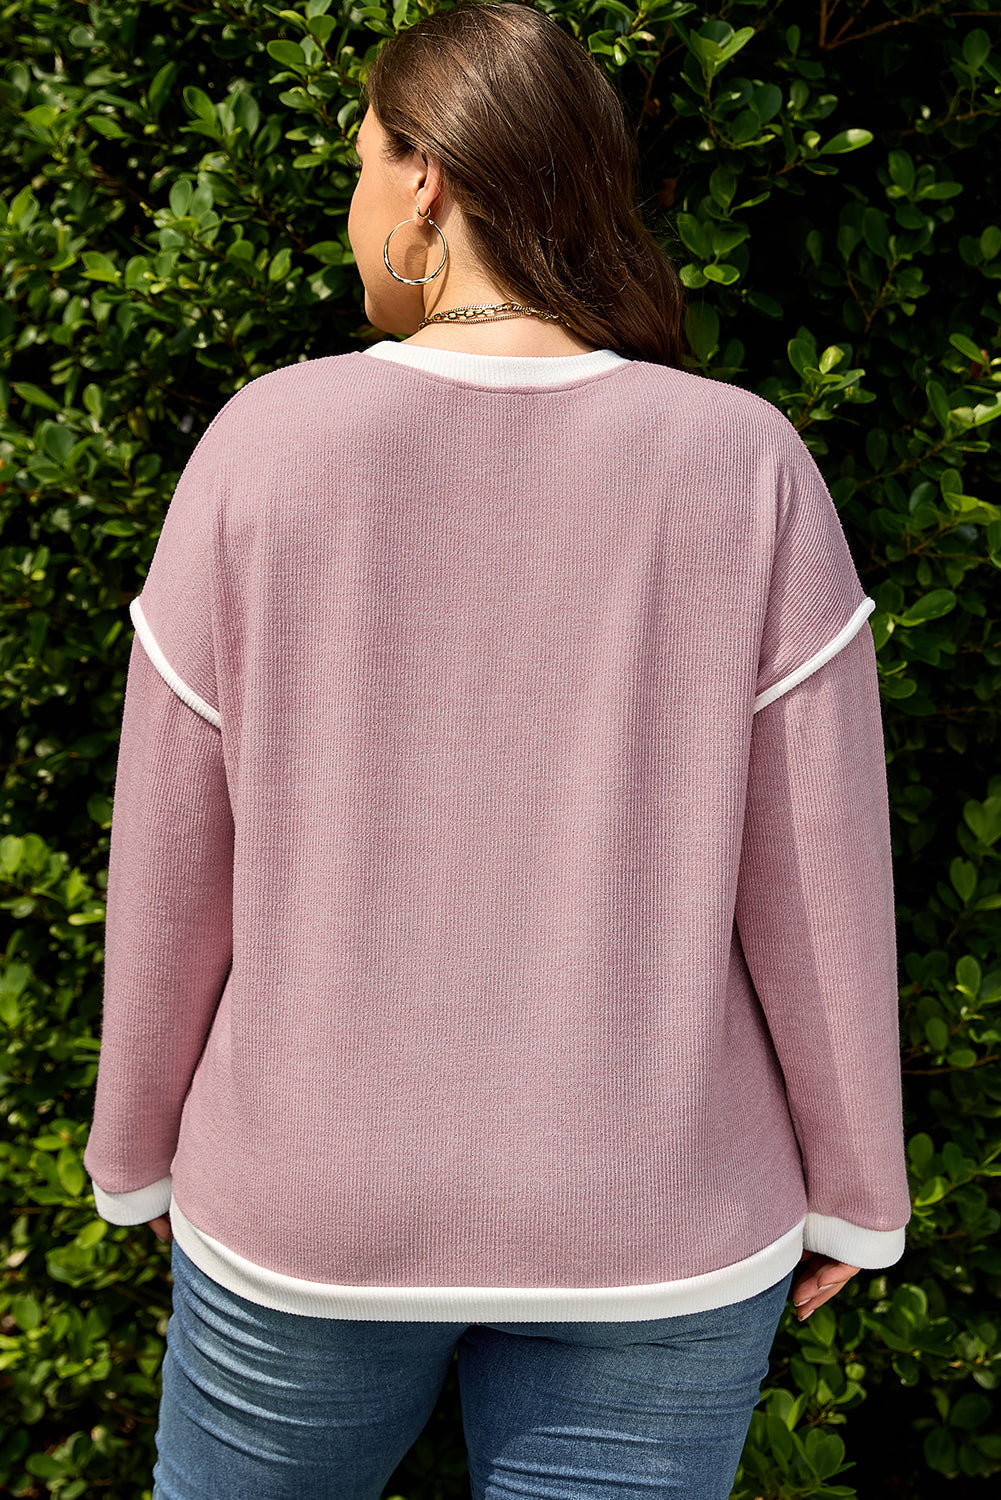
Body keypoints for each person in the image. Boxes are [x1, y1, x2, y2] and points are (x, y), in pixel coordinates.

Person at [82, 4, 912, 1497]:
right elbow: (819, 861)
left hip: (311, 1209)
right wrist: (858, 1184)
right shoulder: (741, 459)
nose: (353, 207)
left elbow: (172, 851)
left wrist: (134, 1149)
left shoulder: (267, 442)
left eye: (359, 163)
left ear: (425, 180)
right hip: (654, 1219)